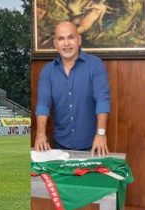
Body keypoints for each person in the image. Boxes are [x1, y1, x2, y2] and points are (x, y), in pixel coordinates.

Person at [34, 21, 111, 156]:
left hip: (93, 144)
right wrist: (40, 134)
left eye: (71, 37)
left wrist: (101, 133)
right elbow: (43, 105)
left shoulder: (95, 65)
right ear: (55, 43)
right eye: (61, 39)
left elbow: (103, 101)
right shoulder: (47, 71)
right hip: (60, 145)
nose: (67, 43)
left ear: (79, 40)